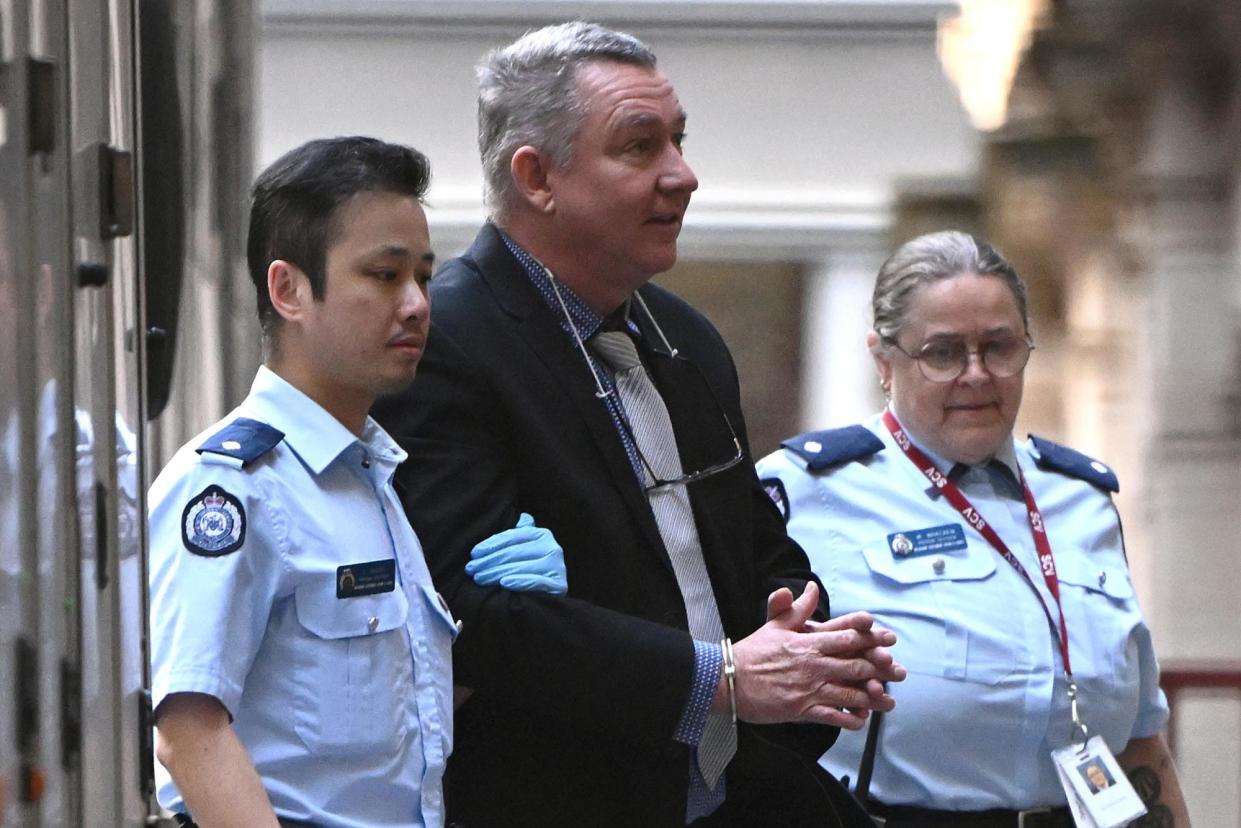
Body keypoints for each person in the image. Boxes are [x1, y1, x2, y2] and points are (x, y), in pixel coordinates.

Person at [371, 21, 904, 828]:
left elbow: (750, 547)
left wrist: (812, 644)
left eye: (680, 142)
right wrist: (721, 681)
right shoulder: (443, 346)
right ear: (536, 176)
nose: (683, 176)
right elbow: (475, 622)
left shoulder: (684, 338)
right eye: (640, 147)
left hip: (737, 798)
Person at [148, 136, 565, 828]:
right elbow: (188, 735)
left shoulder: (368, 477)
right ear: (288, 289)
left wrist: (507, 616)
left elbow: (376, 727)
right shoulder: (232, 489)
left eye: (425, 278)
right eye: (383, 275)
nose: (416, 305)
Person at [756, 230, 1192, 827]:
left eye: (999, 346)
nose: (977, 374)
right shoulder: (806, 492)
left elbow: (1140, 736)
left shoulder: (1081, 499)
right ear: (884, 360)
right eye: (943, 352)